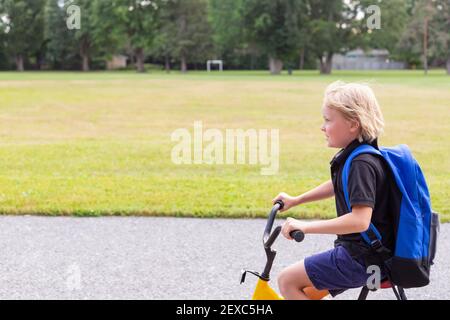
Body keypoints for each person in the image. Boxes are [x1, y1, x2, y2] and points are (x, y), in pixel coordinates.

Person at [273, 81, 400, 300]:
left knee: (287, 280)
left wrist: (305, 226)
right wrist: (297, 200)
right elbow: (339, 183)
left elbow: (360, 220)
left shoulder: (362, 162)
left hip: (362, 259)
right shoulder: (360, 155)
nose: (322, 127)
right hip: (368, 255)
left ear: (353, 124)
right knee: (307, 292)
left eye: (328, 120)